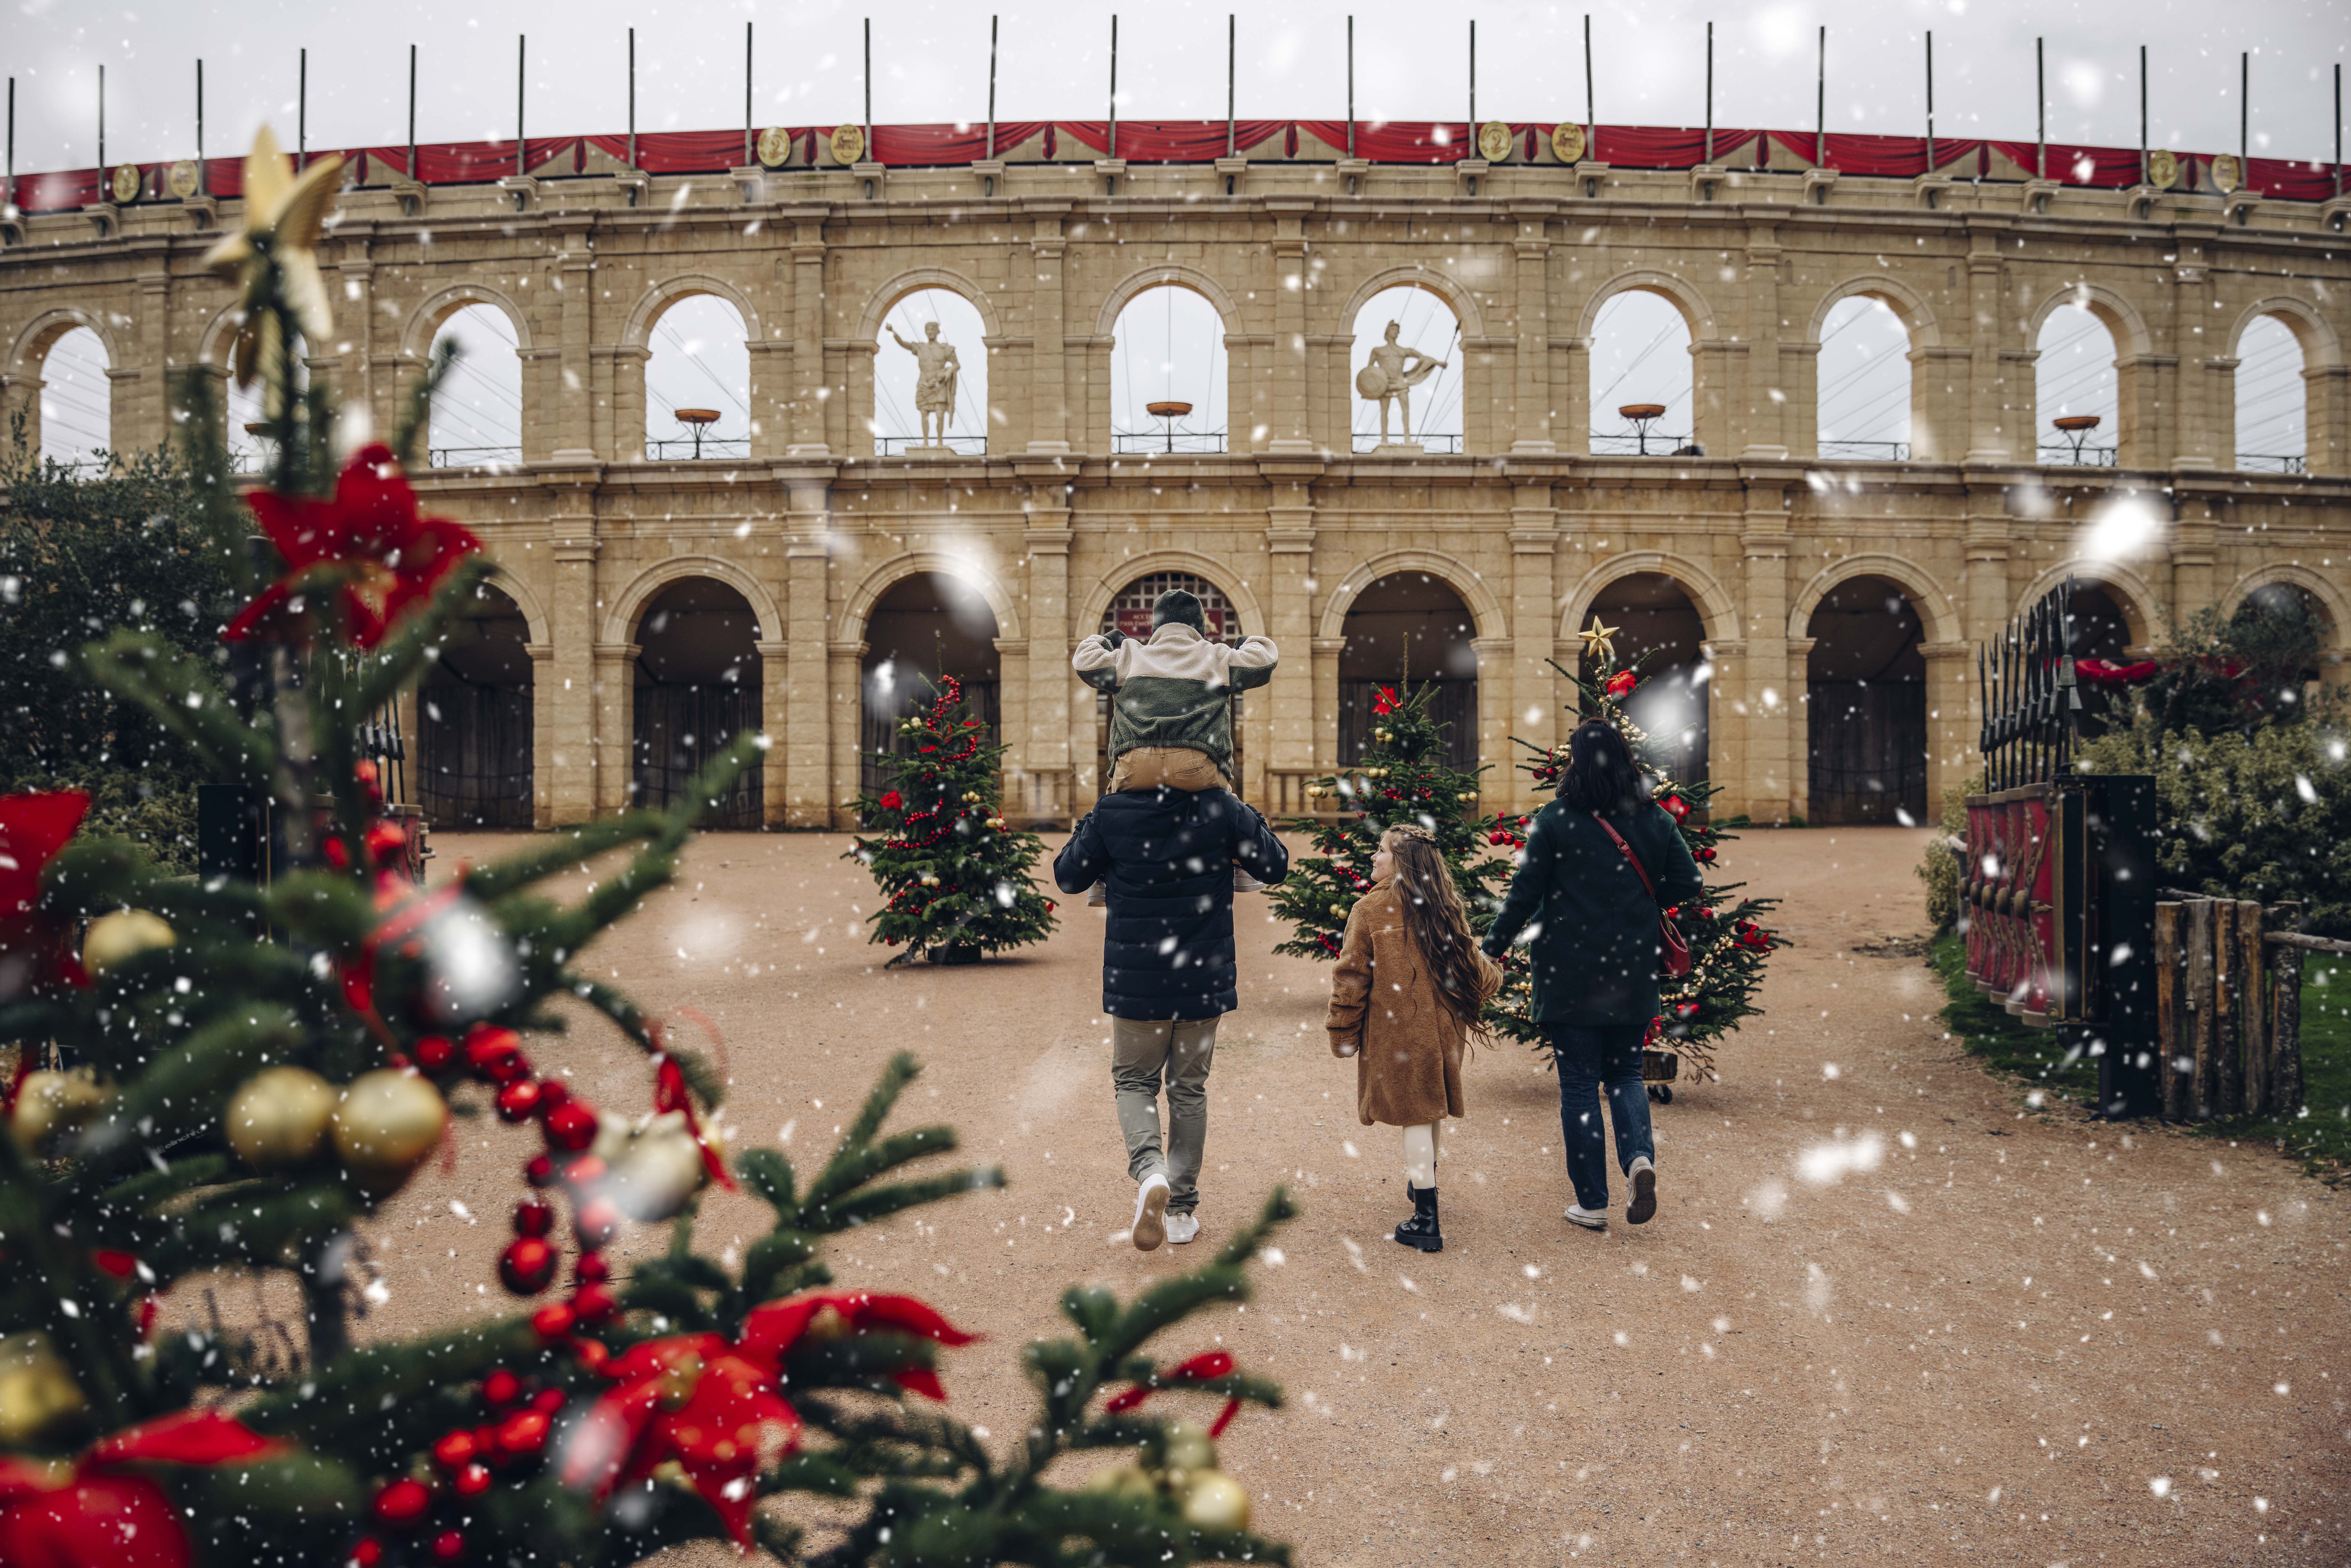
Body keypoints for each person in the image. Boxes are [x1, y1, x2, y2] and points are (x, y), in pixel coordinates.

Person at [1482, 719, 1703, 1232]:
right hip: (1631, 965)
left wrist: (1492, 948)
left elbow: (1524, 895)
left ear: (1575, 763)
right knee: (1625, 1074)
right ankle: (1639, 1160)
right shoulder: (1653, 818)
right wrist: (1644, 906)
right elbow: (1688, 880)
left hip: (1568, 970)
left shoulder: (1555, 819)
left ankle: (1592, 1201)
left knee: (1579, 1085)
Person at [1052, 778, 1287, 1252]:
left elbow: (1068, 875)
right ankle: (1180, 1210)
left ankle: (1150, 1172)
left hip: (1137, 980)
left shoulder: (1114, 809)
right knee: (1188, 1088)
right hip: (1202, 980)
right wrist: (1242, 811)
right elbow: (1274, 865)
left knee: (1135, 1082)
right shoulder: (1219, 805)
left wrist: (1094, 822)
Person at [1325, 823, 1501, 1253]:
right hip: (1441, 1030)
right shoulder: (1441, 906)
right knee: (1428, 1107)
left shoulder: (1370, 910)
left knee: (1415, 1115)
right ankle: (1425, 1184)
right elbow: (1474, 969)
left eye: (1380, 851)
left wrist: (1341, 1032)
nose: (1373, 857)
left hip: (1399, 1031)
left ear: (1400, 860)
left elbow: (1350, 979)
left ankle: (1426, 1220)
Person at [1072, 588, 1278, 898]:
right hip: (1197, 766)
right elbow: (1264, 660)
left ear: (1155, 628)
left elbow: (1084, 662)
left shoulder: (1129, 654)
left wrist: (1106, 640)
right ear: (1199, 628)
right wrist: (1245, 641)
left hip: (1135, 764)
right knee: (1228, 804)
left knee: (1110, 804)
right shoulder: (1214, 655)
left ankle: (1101, 876)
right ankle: (1240, 864)